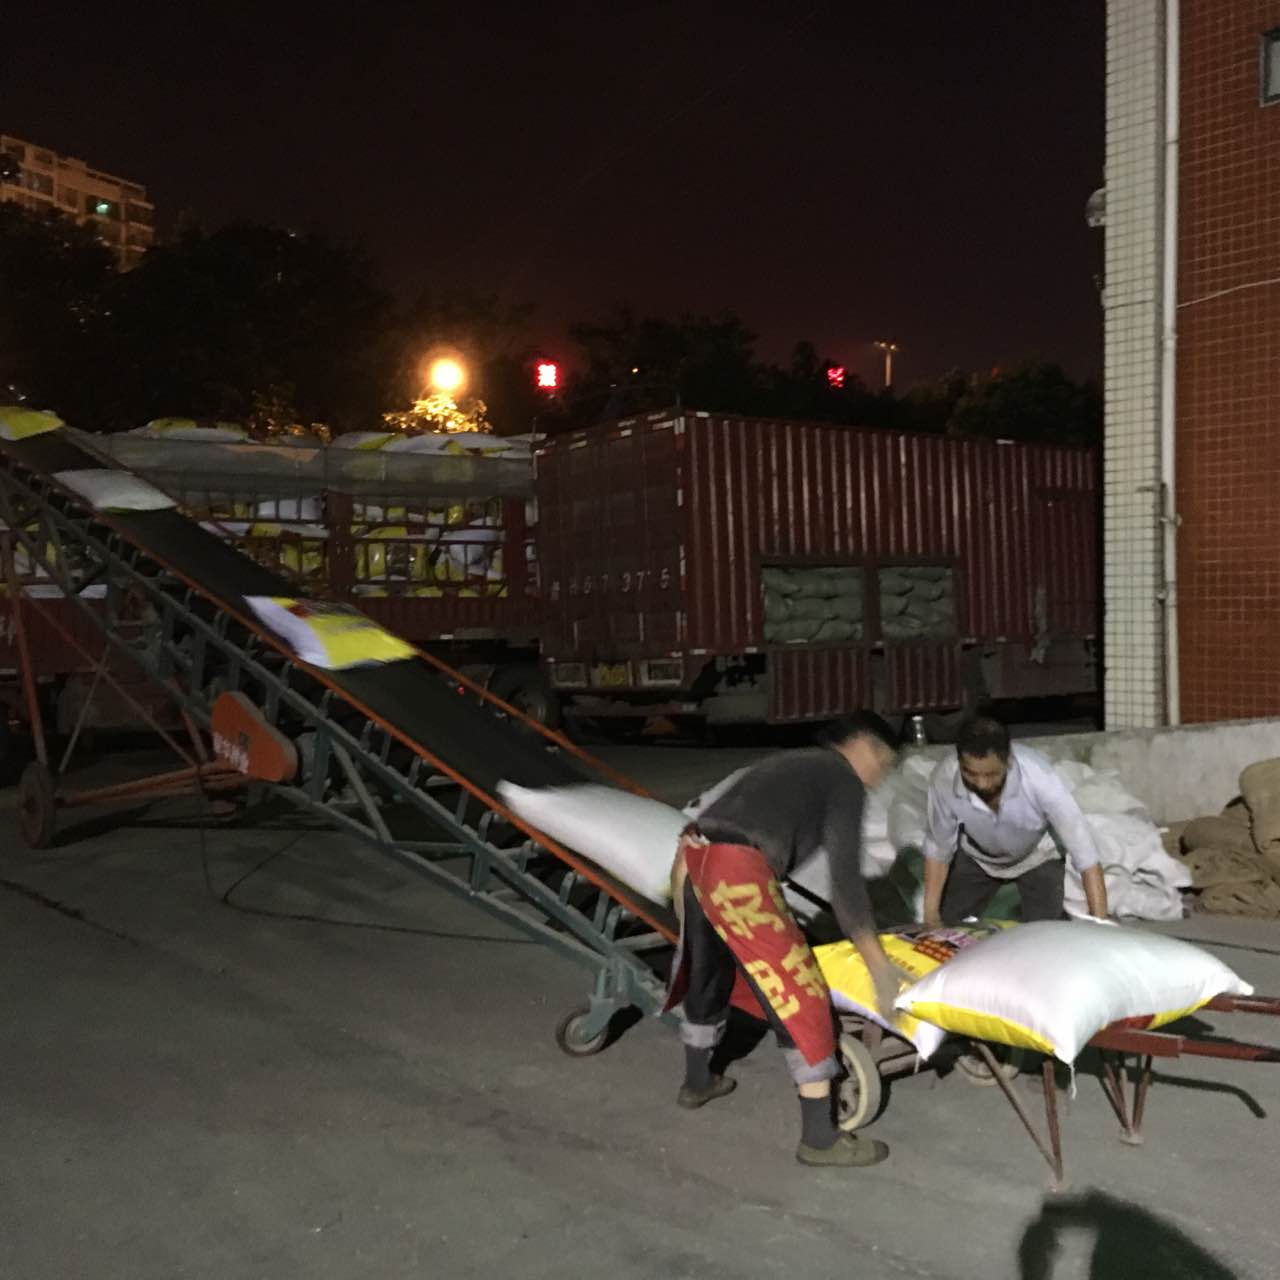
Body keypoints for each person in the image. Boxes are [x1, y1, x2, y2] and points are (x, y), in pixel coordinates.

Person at [664, 711, 901, 1168]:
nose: (880, 778)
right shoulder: (842, 778)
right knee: (799, 989)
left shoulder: (791, 762)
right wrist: (879, 969)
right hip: (738, 870)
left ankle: (697, 1082)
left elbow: (709, 819)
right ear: (863, 746)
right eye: (883, 764)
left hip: (696, 857)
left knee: (709, 970)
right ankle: (820, 1138)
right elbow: (847, 886)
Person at [920, 715, 1109, 927]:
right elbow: (939, 847)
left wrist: (1100, 926)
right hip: (977, 857)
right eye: (970, 773)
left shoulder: (1041, 778)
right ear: (959, 762)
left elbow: (1085, 855)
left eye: (991, 775)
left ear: (1008, 759)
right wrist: (930, 916)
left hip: (1037, 857)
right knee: (950, 927)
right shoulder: (945, 778)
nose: (981, 784)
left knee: (1044, 934)